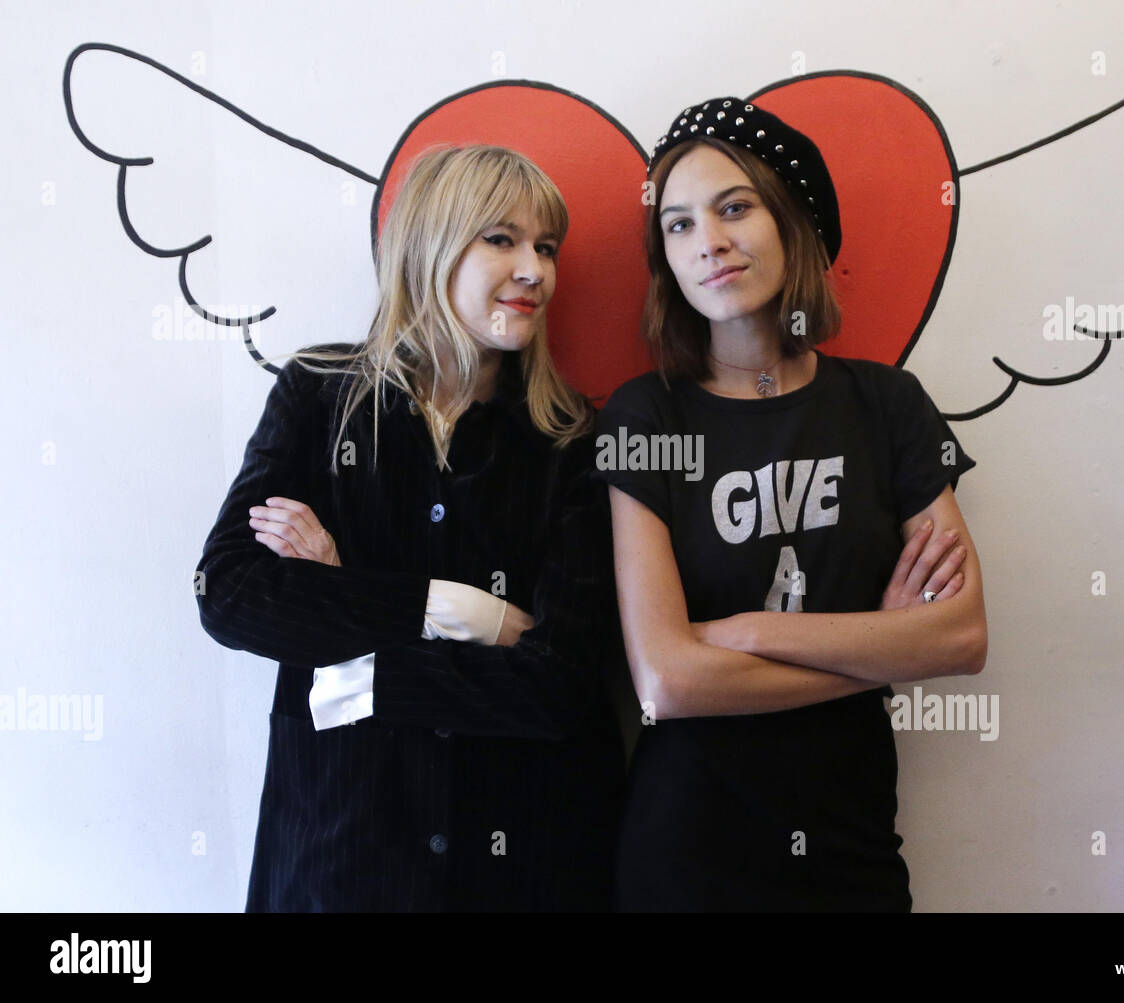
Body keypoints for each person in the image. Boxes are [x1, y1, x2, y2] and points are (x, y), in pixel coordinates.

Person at [195, 145, 626, 911]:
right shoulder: (318, 395)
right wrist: (466, 613)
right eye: (502, 238)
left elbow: (561, 683)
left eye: (547, 247)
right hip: (341, 859)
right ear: (430, 244)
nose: (535, 270)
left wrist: (349, 641)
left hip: (521, 865)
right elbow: (229, 594)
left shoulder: (571, 440)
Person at [593, 98, 987, 911]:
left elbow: (959, 637)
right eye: (678, 224)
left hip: (853, 847)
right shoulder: (646, 416)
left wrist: (742, 635)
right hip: (688, 855)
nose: (708, 241)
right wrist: (881, 649)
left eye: (734, 207)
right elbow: (666, 681)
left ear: (794, 220)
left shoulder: (887, 405)